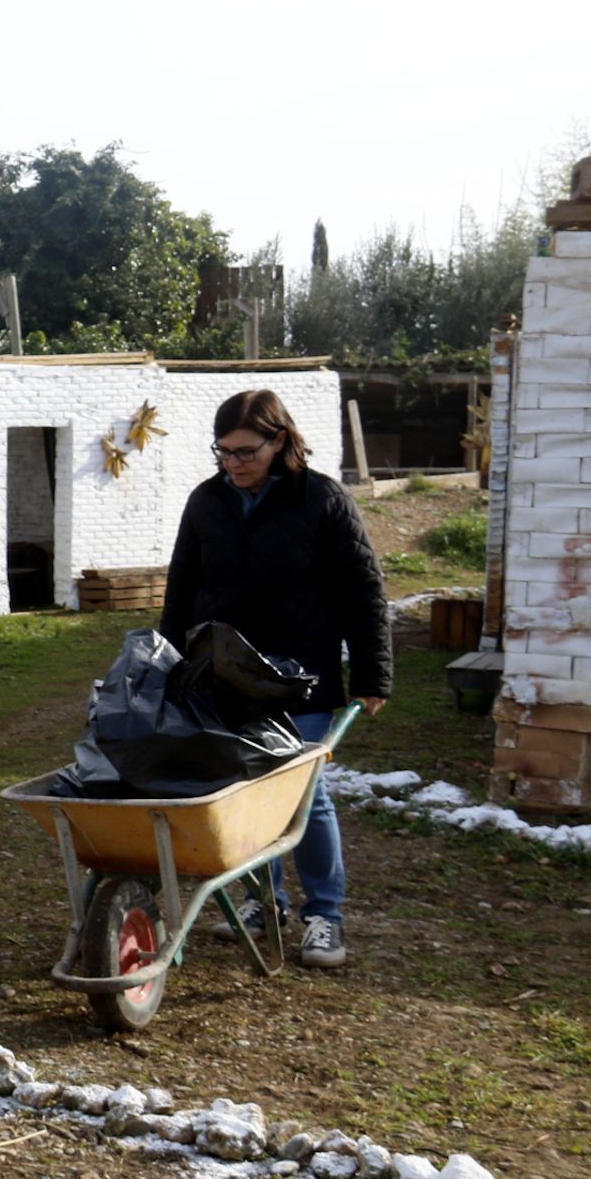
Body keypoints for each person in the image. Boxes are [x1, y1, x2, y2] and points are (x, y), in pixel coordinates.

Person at [159, 388, 389, 970]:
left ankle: (324, 917)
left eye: (245, 451)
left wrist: (372, 673)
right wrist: (167, 663)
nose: (234, 463)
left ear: (279, 439)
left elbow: (364, 591)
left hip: (301, 676)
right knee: (243, 792)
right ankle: (266, 903)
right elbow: (182, 587)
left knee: (305, 799)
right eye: (223, 452)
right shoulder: (207, 502)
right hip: (227, 675)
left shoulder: (322, 501)